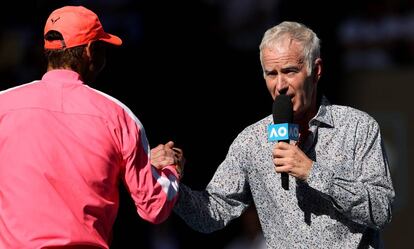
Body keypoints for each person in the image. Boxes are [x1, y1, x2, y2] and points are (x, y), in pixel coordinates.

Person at [168, 21, 395, 248]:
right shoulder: (252, 141)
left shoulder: (357, 127)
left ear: (316, 71)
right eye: (271, 74)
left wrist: (312, 172)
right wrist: (168, 185)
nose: (280, 85)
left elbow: (381, 210)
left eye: (289, 71)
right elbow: (212, 213)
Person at [0, 5, 183, 249]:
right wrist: (170, 169)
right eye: (102, 48)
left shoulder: (4, 105)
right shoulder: (119, 117)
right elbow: (154, 207)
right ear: (90, 51)